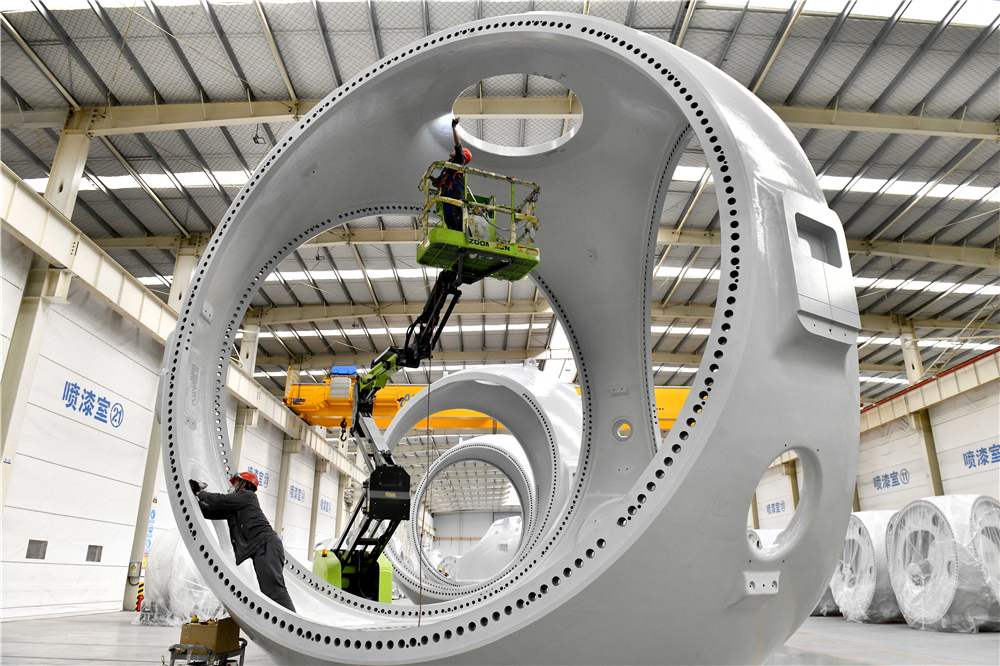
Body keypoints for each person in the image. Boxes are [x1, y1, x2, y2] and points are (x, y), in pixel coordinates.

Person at [189, 472, 296, 612]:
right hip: (262, 547)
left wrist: (199, 492)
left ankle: (291, 623)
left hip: (266, 545)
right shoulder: (236, 506)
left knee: (273, 590)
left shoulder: (248, 496)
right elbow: (209, 512)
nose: (232, 486)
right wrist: (194, 499)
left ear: (243, 484)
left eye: (235, 482)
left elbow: (220, 500)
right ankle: (283, 620)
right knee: (268, 590)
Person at [431, 117, 472, 232]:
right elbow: (438, 183)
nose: (452, 151)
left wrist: (454, 127)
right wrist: (429, 176)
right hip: (446, 197)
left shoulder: (460, 160)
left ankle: (466, 238)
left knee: (459, 218)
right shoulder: (447, 168)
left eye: (455, 151)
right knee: (449, 221)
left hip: (455, 193)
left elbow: (458, 144)